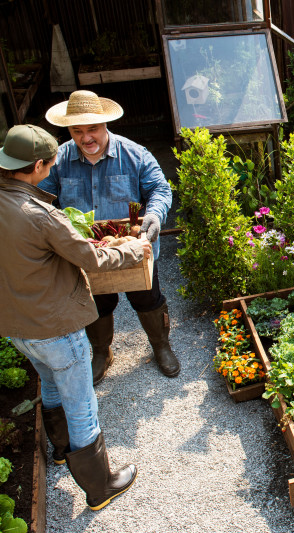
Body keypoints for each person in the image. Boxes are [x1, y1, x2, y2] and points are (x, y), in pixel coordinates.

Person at [0, 124, 150, 510]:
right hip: (55, 327)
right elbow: (92, 257)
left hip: (17, 326)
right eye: (49, 163)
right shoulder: (39, 214)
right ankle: (101, 487)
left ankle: (62, 450)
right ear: (36, 165)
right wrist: (135, 250)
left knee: (49, 385)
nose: (53, 168)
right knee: (81, 404)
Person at [40, 90, 180, 383]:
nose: (85, 138)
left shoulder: (134, 154)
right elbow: (42, 198)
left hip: (132, 246)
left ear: (105, 125)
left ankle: (160, 344)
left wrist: (153, 216)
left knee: (147, 299)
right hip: (87, 249)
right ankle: (102, 352)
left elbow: (160, 190)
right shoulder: (59, 159)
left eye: (92, 129)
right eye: (77, 131)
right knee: (96, 304)